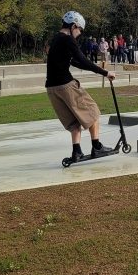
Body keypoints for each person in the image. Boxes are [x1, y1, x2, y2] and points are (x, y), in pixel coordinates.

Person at [45, 11, 114, 163]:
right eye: (80, 30)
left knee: (73, 122)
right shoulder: (68, 39)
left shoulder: (55, 39)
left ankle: (77, 152)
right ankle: (96, 146)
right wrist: (105, 72)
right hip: (65, 85)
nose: (79, 34)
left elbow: (71, 61)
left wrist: (82, 64)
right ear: (74, 25)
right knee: (93, 111)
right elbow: (82, 60)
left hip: (51, 89)